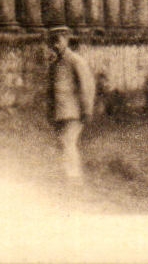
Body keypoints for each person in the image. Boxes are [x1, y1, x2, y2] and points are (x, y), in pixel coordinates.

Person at [47, 27, 96, 184]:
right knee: (63, 143)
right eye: (52, 41)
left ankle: (74, 178)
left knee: (68, 142)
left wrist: (87, 110)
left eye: (58, 40)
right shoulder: (55, 64)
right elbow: (51, 91)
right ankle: (66, 176)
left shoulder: (76, 60)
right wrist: (50, 111)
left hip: (74, 111)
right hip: (60, 112)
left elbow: (87, 86)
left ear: (66, 40)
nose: (55, 45)